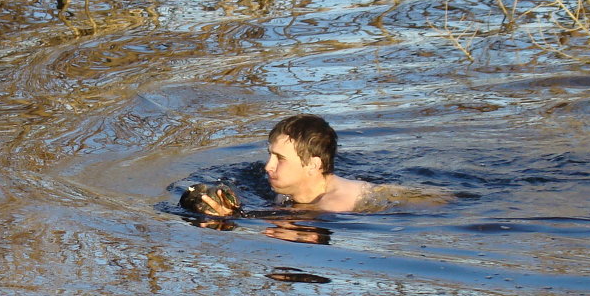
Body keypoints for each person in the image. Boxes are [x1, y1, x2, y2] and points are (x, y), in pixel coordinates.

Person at [190, 113, 449, 217]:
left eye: (279, 159)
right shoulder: (288, 191)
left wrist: (234, 218)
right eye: (270, 155)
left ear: (313, 165)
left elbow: (299, 218)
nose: (267, 166)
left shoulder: (334, 204)